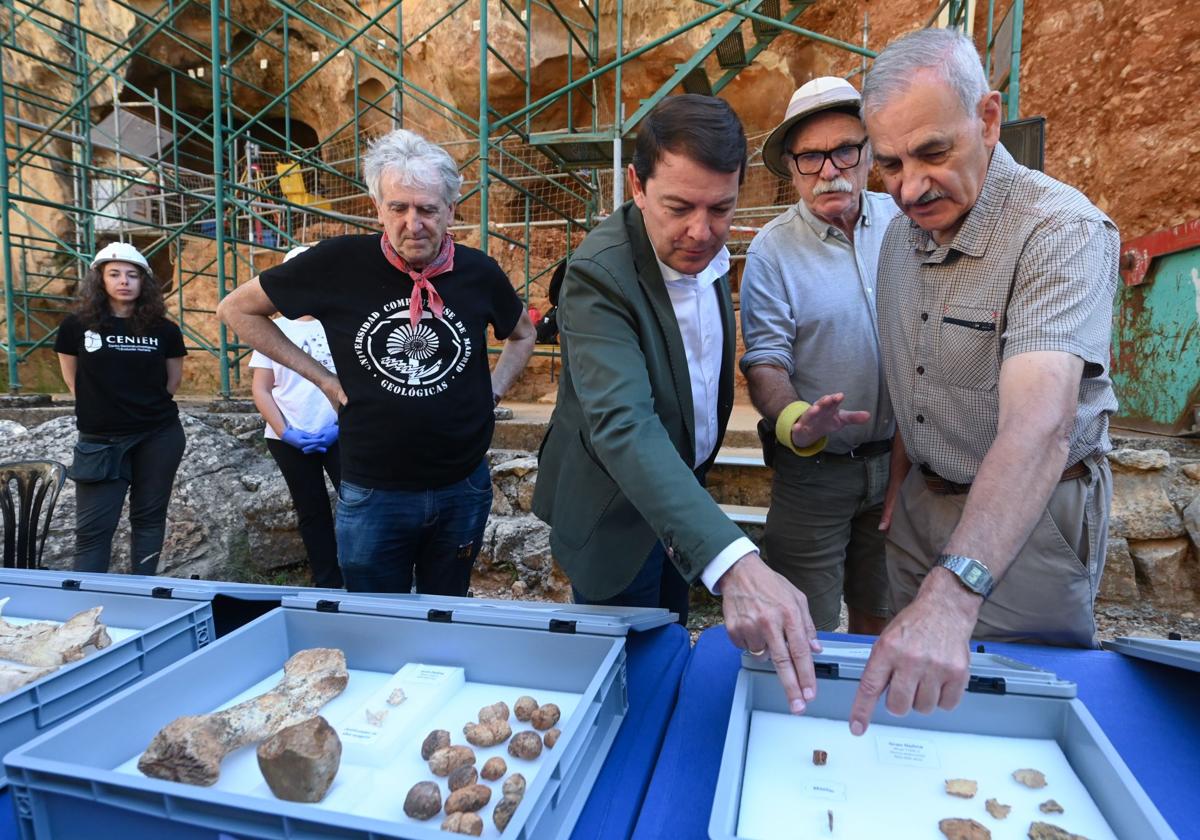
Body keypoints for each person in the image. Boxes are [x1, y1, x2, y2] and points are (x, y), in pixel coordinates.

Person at [847, 28, 1120, 735]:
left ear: (989, 118)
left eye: (933, 153)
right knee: (919, 714)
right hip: (919, 512)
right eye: (889, 164)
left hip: (1029, 528)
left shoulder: (1060, 230)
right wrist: (907, 481)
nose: (909, 186)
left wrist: (954, 590)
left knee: (1013, 724)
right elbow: (918, 368)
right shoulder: (901, 233)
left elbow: (1041, 425)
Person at [532, 94, 829, 715]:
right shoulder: (596, 276)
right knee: (619, 690)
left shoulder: (708, 255)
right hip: (613, 516)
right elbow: (624, 424)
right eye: (679, 207)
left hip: (680, 504)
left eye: (721, 208)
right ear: (636, 186)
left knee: (667, 646)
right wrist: (736, 564)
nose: (701, 231)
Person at [218, 129, 536, 595]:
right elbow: (236, 309)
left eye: (428, 208)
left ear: (451, 209)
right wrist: (323, 379)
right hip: (373, 491)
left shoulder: (478, 272)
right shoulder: (338, 263)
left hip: (462, 486)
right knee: (373, 619)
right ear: (377, 207)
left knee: (445, 613)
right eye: (399, 208)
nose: (414, 223)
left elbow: (523, 333)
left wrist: (494, 389)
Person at [740, 77, 902, 635]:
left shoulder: (906, 225)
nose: (829, 170)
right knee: (804, 626)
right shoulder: (771, 251)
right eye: (811, 157)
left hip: (901, 467)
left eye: (844, 150)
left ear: (869, 153)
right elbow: (764, 362)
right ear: (791, 166)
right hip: (813, 472)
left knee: (880, 614)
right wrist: (795, 421)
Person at [55, 242, 187, 575]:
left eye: (132, 275)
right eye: (114, 274)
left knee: (148, 520)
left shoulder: (165, 330)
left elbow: (172, 382)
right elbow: (73, 380)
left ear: (145, 283)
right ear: (99, 280)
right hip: (100, 440)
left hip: (158, 436)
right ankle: (85, 612)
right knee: (92, 531)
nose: (124, 281)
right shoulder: (75, 326)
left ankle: (141, 595)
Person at [249, 245, 344, 589]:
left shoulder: (341, 326)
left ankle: (363, 575)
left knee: (355, 506)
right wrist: (285, 431)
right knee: (311, 510)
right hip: (289, 439)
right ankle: (327, 580)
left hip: (339, 434)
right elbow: (262, 389)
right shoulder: (273, 329)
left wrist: (340, 426)